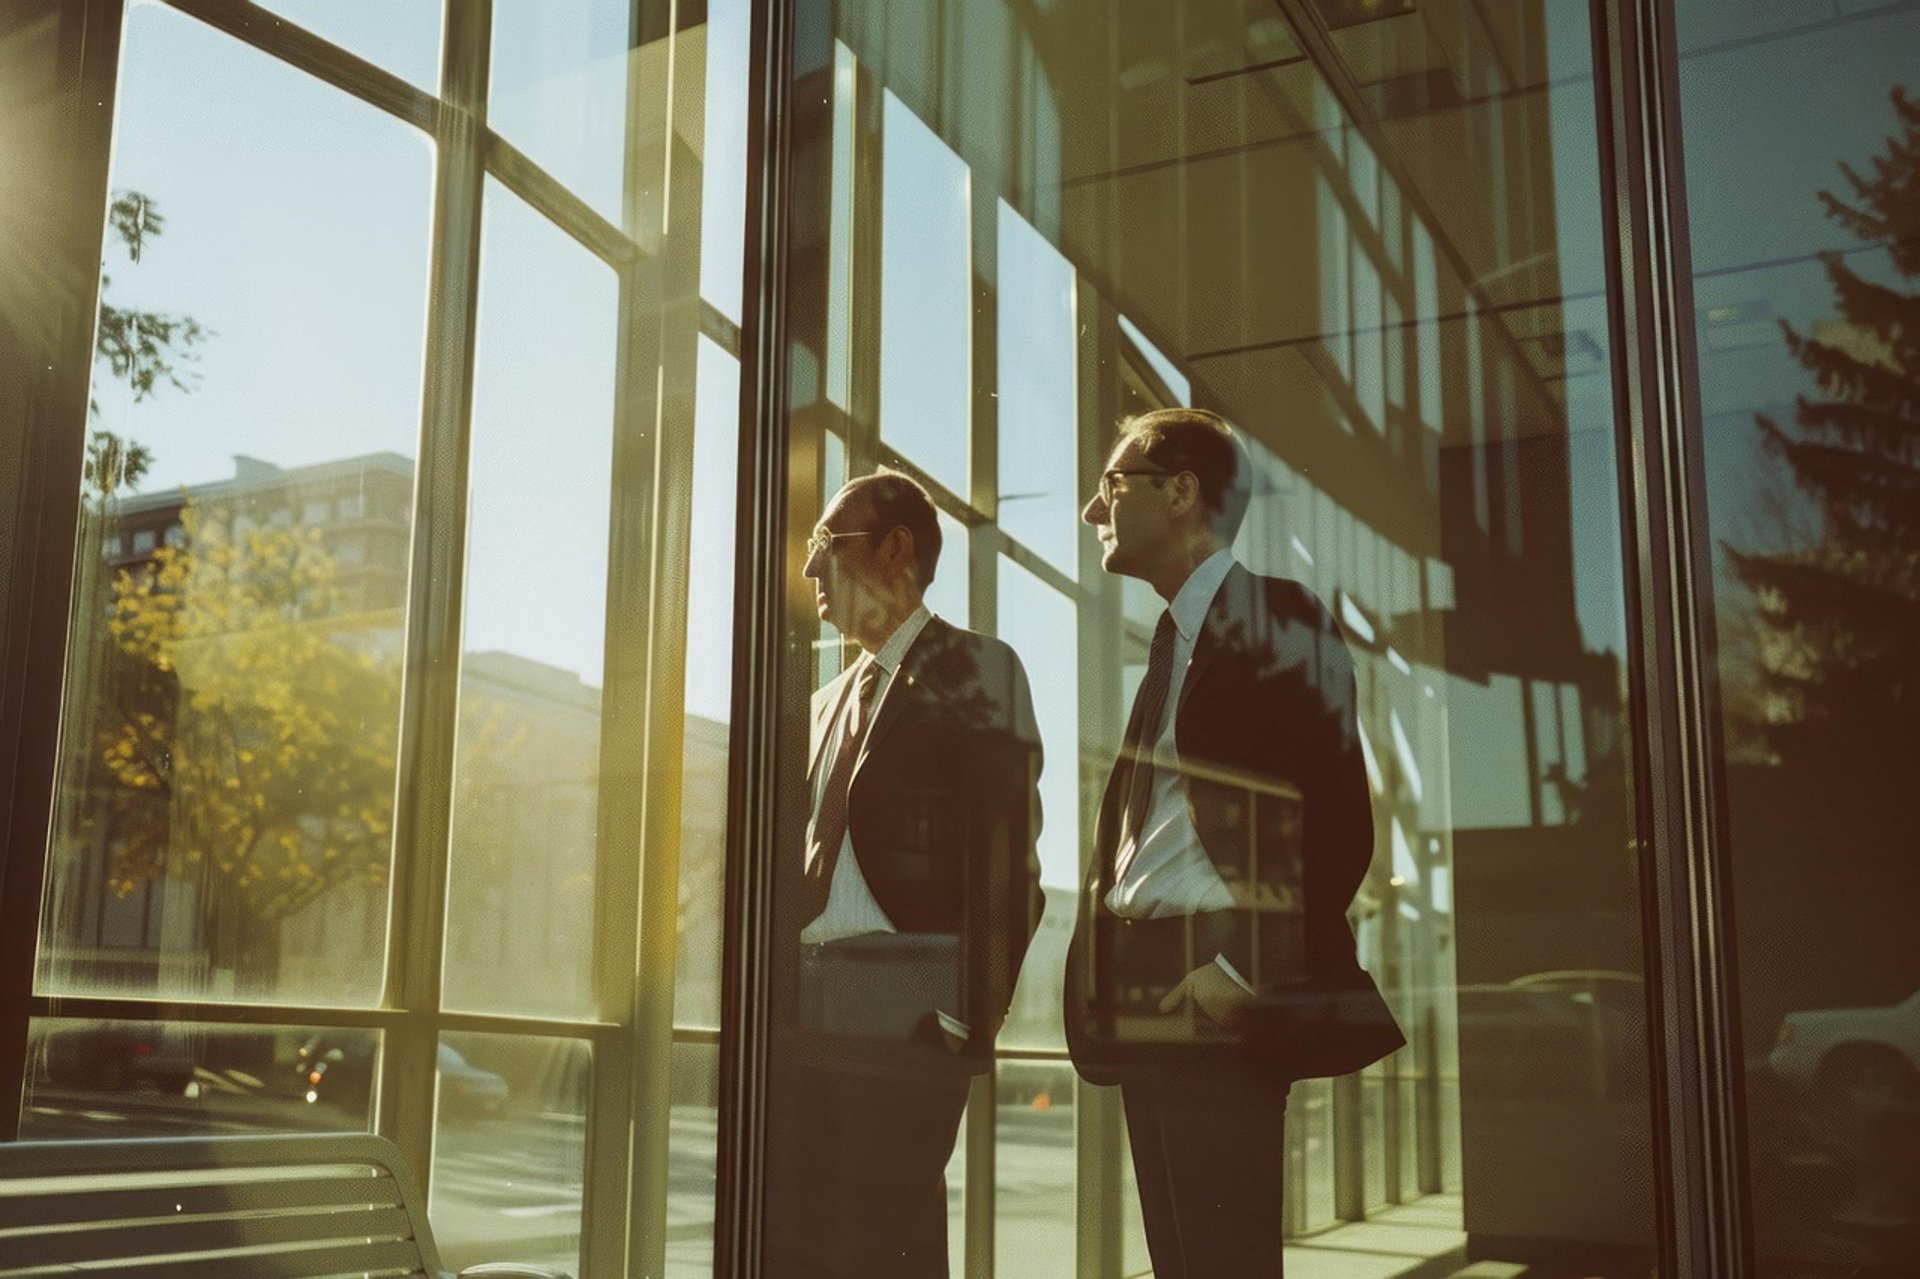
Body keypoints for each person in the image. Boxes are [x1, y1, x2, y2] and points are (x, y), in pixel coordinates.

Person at [1065, 407, 1404, 1276]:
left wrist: (1245, 975)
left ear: (1182, 492)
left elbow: (1336, 822)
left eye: (1112, 486)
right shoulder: (1171, 645)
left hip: (1217, 977)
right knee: (1181, 1260)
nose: (1091, 511)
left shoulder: (1276, 615)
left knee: (1223, 1262)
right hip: (1150, 982)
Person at [767, 468, 1045, 1277]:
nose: (810, 567)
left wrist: (963, 1019)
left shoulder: (977, 668)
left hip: (906, 1004)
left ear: (895, 550)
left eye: (827, 544)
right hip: (803, 1006)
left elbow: (1010, 859)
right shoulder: (821, 703)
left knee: (883, 1244)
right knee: (799, 1243)